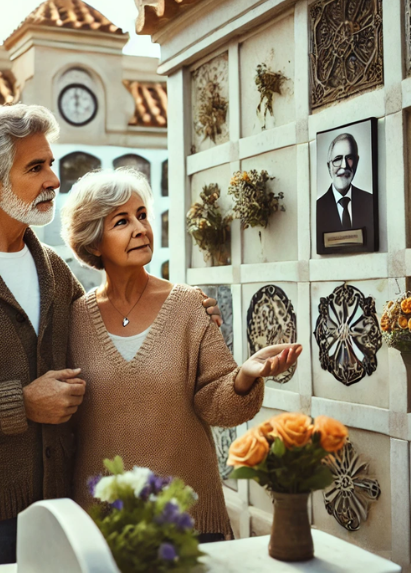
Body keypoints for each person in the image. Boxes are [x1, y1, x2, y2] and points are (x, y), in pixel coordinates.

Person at [0, 104, 221, 571]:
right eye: (35, 167)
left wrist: (187, 310)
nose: (54, 180)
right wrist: (21, 403)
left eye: (51, 164)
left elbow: (110, 331)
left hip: (62, 512)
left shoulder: (56, 272)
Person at [61, 169, 302, 542]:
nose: (140, 228)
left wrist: (243, 377)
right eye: (121, 221)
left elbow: (218, 406)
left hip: (187, 512)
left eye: (142, 215)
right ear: (93, 242)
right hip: (105, 521)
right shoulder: (74, 318)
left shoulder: (190, 305)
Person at [316, 132, 375, 253]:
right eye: (337, 159)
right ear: (329, 167)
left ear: (356, 162)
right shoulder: (319, 207)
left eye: (349, 158)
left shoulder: (370, 201)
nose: (344, 165)